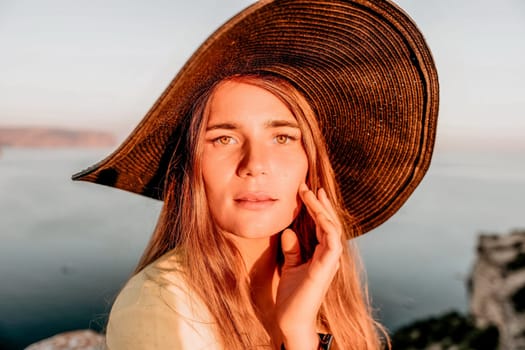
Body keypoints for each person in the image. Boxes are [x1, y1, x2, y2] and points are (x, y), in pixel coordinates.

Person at [73, 1, 439, 349]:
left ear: (311, 163)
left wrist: (298, 330)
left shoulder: (324, 289)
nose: (255, 163)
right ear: (190, 165)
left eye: (282, 137)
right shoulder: (161, 309)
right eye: (224, 138)